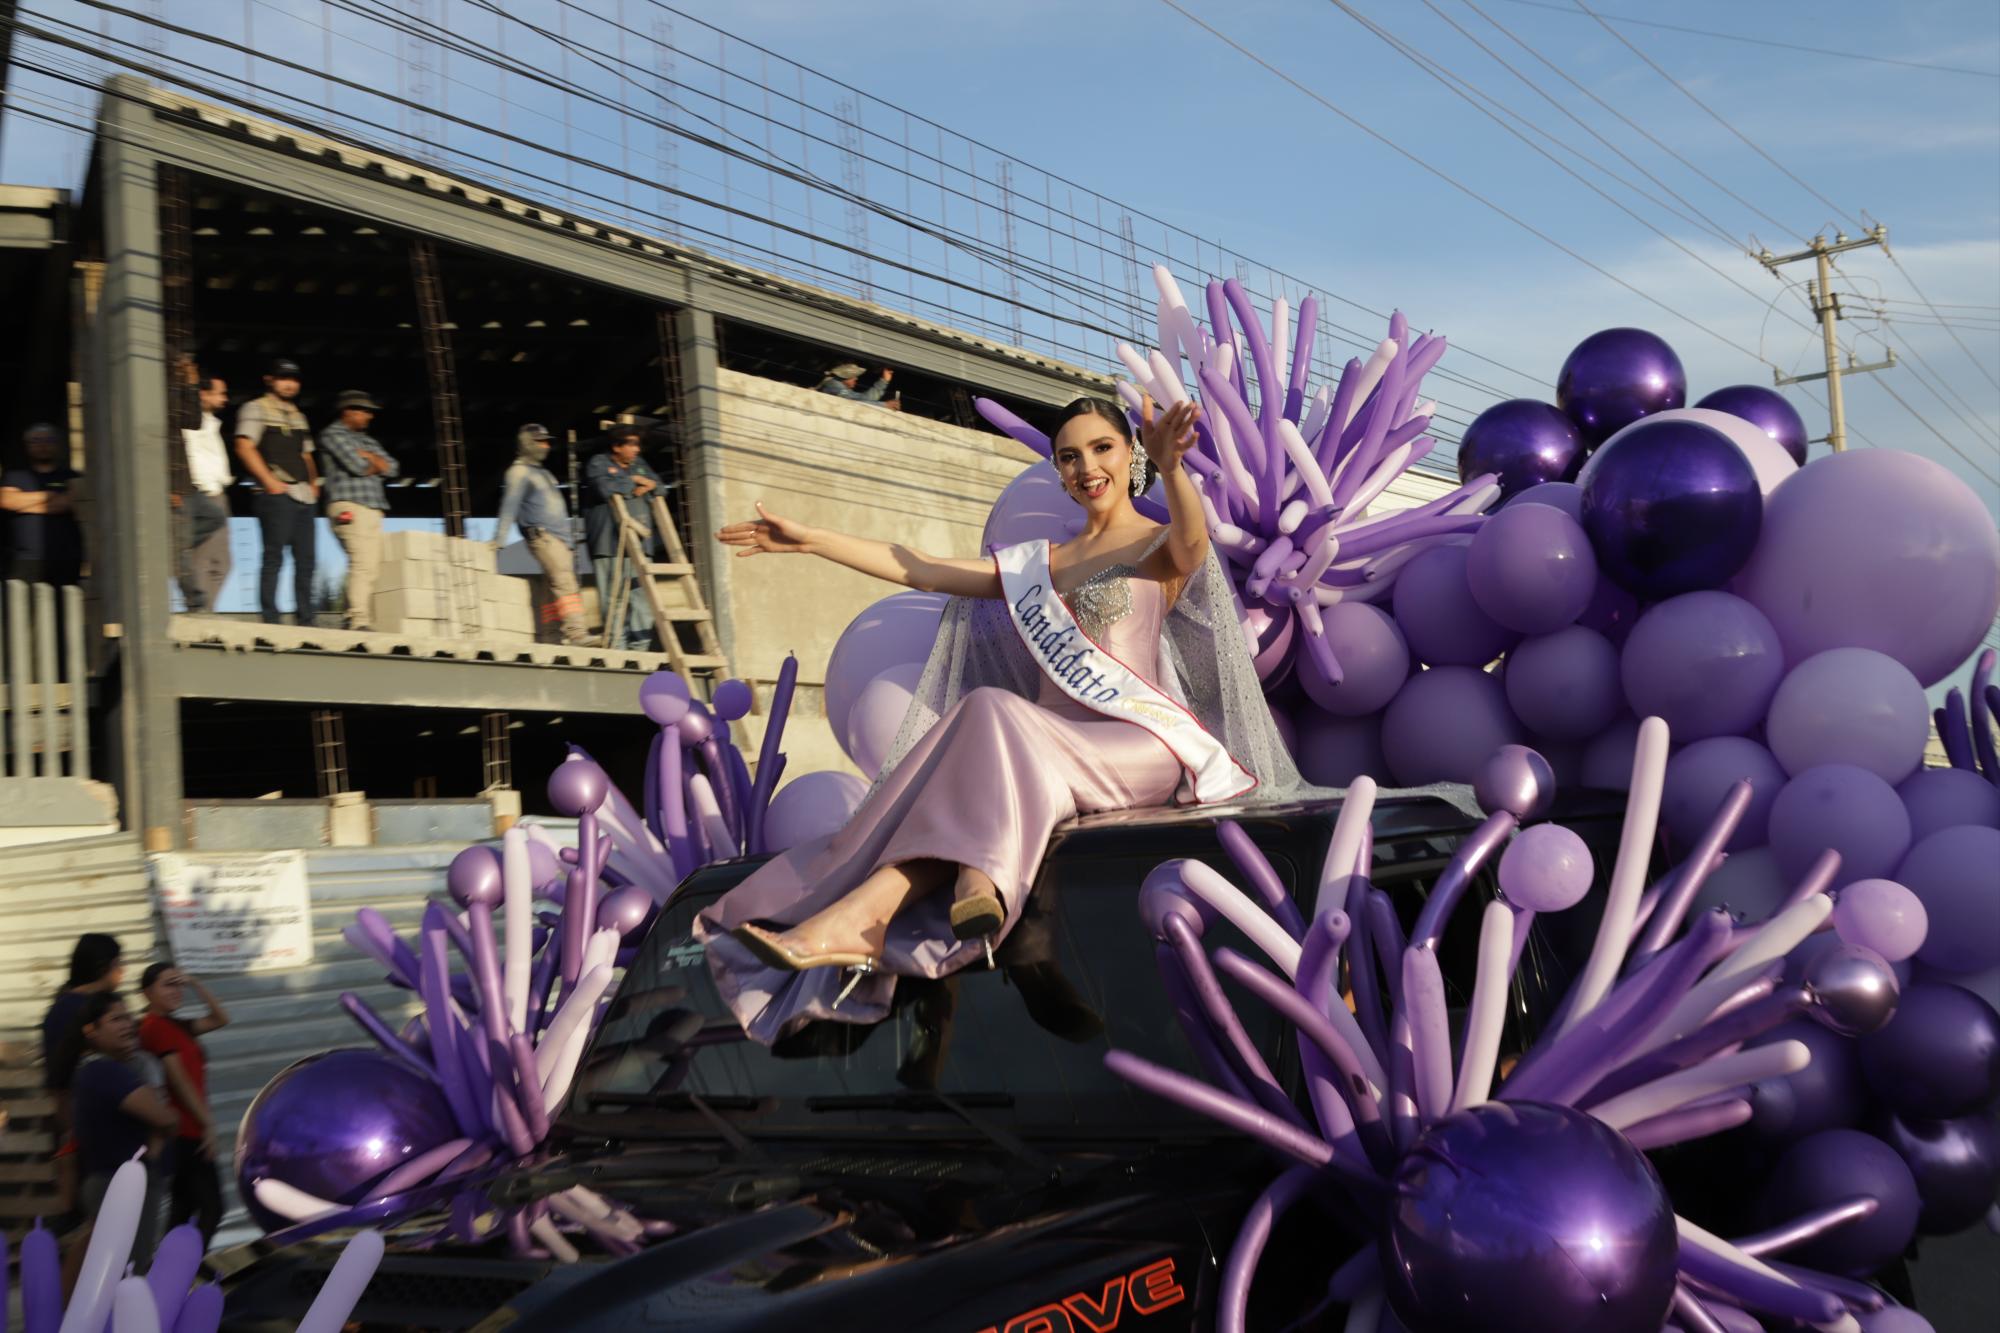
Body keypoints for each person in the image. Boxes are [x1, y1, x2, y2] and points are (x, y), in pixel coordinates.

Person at [696, 396, 1318, 1045]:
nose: (1087, 466)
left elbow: (1194, 543)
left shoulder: (1157, 545)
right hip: (1034, 754)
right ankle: (873, 914)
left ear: (1130, 453)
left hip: (1136, 743)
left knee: (987, 710)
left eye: (1102, 448)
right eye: (1070, 456)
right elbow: (920, 567)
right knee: (984, 743)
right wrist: (813, 541)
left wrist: (1173, 469)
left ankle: (971, 880)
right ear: (1057, 470)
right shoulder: (1037, 564)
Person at [54, 992, 176, 1271]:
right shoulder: (104, 1072)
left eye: (128, 1017)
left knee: (111, 1264)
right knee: (130, 1271)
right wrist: (151, 1157)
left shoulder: (105, 1070)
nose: (128, 1025)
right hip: (123, 1185)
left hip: (119, 1182)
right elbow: (166, 1118)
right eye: (116, 1019)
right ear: (91, 1031)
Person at [137, 963, 230, 1241]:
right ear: (147, 992)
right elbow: (179, 1080)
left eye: (179, 985)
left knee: (183, 1209)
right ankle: (185, 1272)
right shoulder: (155, 1027)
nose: (177, 991)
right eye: (168, 984)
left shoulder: (175, 1025)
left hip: (189, 1129)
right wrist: (207, 1125)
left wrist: (195, 983)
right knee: (211, 1209)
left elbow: (220, 1018)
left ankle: (166, 1275)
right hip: (185, 1131)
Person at [41, 934, 126, 1224]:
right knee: (96, 1220)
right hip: (88, 1126)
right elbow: (60, 1079)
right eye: (120, 963)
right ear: (108, 966)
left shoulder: (71, 1004)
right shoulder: (73, 1009)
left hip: (95, 1122)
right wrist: (69, 1134)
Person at [233, 358, 320, 625]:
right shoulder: (255, 408)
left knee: (306, 561)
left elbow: (306, 454)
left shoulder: (298, 415)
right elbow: (243, 446)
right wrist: (269, 481)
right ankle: (271, 618)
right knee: (274, 557)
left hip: (304, 495)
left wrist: (314, 484)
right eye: (283, 378)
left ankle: (306, 619)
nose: (289, 384)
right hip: (275, 493)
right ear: (269, 380)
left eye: (294, 379)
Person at [495, 423, 591, 646]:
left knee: (551, 589)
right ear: (527, 443)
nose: (546, 446)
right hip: (544, 536)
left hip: (559, 539)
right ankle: (577, 633)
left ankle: (551, 636)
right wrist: (499, 540)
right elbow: (509, 506)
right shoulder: (518, 472)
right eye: (541, 441)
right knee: (565, 582)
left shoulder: (543, 473)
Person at [317, 389, 399, 631]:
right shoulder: (331, 434)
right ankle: (357, 619)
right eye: (365, 411)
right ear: (348, 411)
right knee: (363, 562)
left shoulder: (368, 442)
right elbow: (358, 466)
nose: (369, 417)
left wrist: (372, 459)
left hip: (373, 508)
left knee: (371, 565)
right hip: (349, 505)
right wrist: (375, 462)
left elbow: (394, 468)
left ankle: (357, 616)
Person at [584, 425, 664, 651]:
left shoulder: (640, 464)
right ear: (616, 447)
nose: (636, 449)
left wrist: (648, 482)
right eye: (631, 444)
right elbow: (604, 488)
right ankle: (617, 649)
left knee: (642, 599)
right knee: (613, 600)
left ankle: (640, 649)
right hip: (609, 543)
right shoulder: (599, 463)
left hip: (640, 544)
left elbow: (659, 487)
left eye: (637, 444)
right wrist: (635, 481)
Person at [1, 422, 84, 585]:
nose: (42, 445)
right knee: (24, 607)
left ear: (57, 444)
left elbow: (70, 502)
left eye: (48, 440)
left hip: (65, 559)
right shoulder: (15, 476)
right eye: (36, 440)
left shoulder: (71, 476)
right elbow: (6, 500)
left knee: (66, 606)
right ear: (27, 446)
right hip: (27, 559)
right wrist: (49, 495)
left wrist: (23, 502)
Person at [178, 371, 234, 613]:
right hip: (199, 494)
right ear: (203, 394)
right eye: (220, 393)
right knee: (200, 560)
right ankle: (199, 613)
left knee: (223, 563)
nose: (225, 399)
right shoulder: (188, 422)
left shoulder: (212, 423)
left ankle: (206, 610)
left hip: (218, 495)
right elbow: (186, 455)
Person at [816, 362, 900, 410]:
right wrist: (885, 405)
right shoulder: (833, 384)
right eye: (853, 376)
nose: (856, 379)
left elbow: (864, 399)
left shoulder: (839, 388)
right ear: (844, 376)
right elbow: (856, 402)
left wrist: (884, 380)